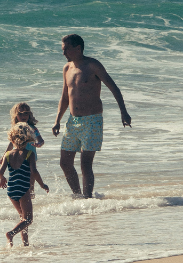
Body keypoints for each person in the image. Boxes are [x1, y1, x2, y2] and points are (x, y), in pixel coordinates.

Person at [52, 34, 132, 198]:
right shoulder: (67, 68)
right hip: (72, 122)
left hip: (92, 120)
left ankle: (87, 199)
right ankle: (78, 195)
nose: (63, 53)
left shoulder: (93, 65)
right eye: (63, 49)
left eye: (66, 49)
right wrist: (57, 120)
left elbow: (114, 88)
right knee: (65, 162)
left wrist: (123, 112)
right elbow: (65, 97)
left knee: (85, 163)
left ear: (78, 48)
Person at [0, 123, 49, 247]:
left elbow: (0, 172)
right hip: (23, 189)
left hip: (11, 191)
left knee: (23, 218)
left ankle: (25, 243)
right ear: (28, 138)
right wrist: (42, 185)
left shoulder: (8, 155)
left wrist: (2, 178)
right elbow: (34, 172)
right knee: (28, 220)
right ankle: (11, 233)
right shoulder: (29, 154)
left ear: (11, 139)